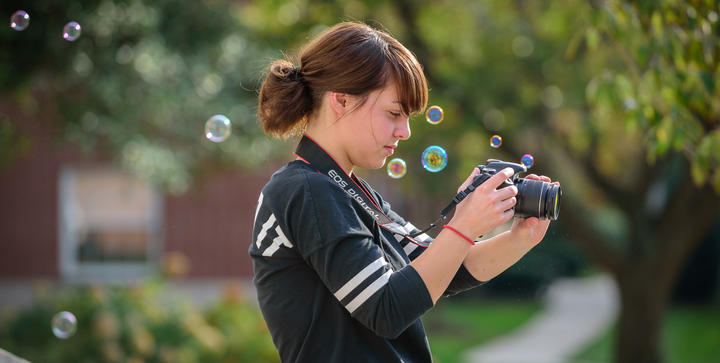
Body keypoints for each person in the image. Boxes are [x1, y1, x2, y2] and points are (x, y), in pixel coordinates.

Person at [249, 21, 556, 363]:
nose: (405, 131)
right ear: (341, 100)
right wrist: (463, 226)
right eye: (394, 113)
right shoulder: (305, 190)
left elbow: (446, 267)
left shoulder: (348, 191)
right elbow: (386, 309)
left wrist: (520, 238)